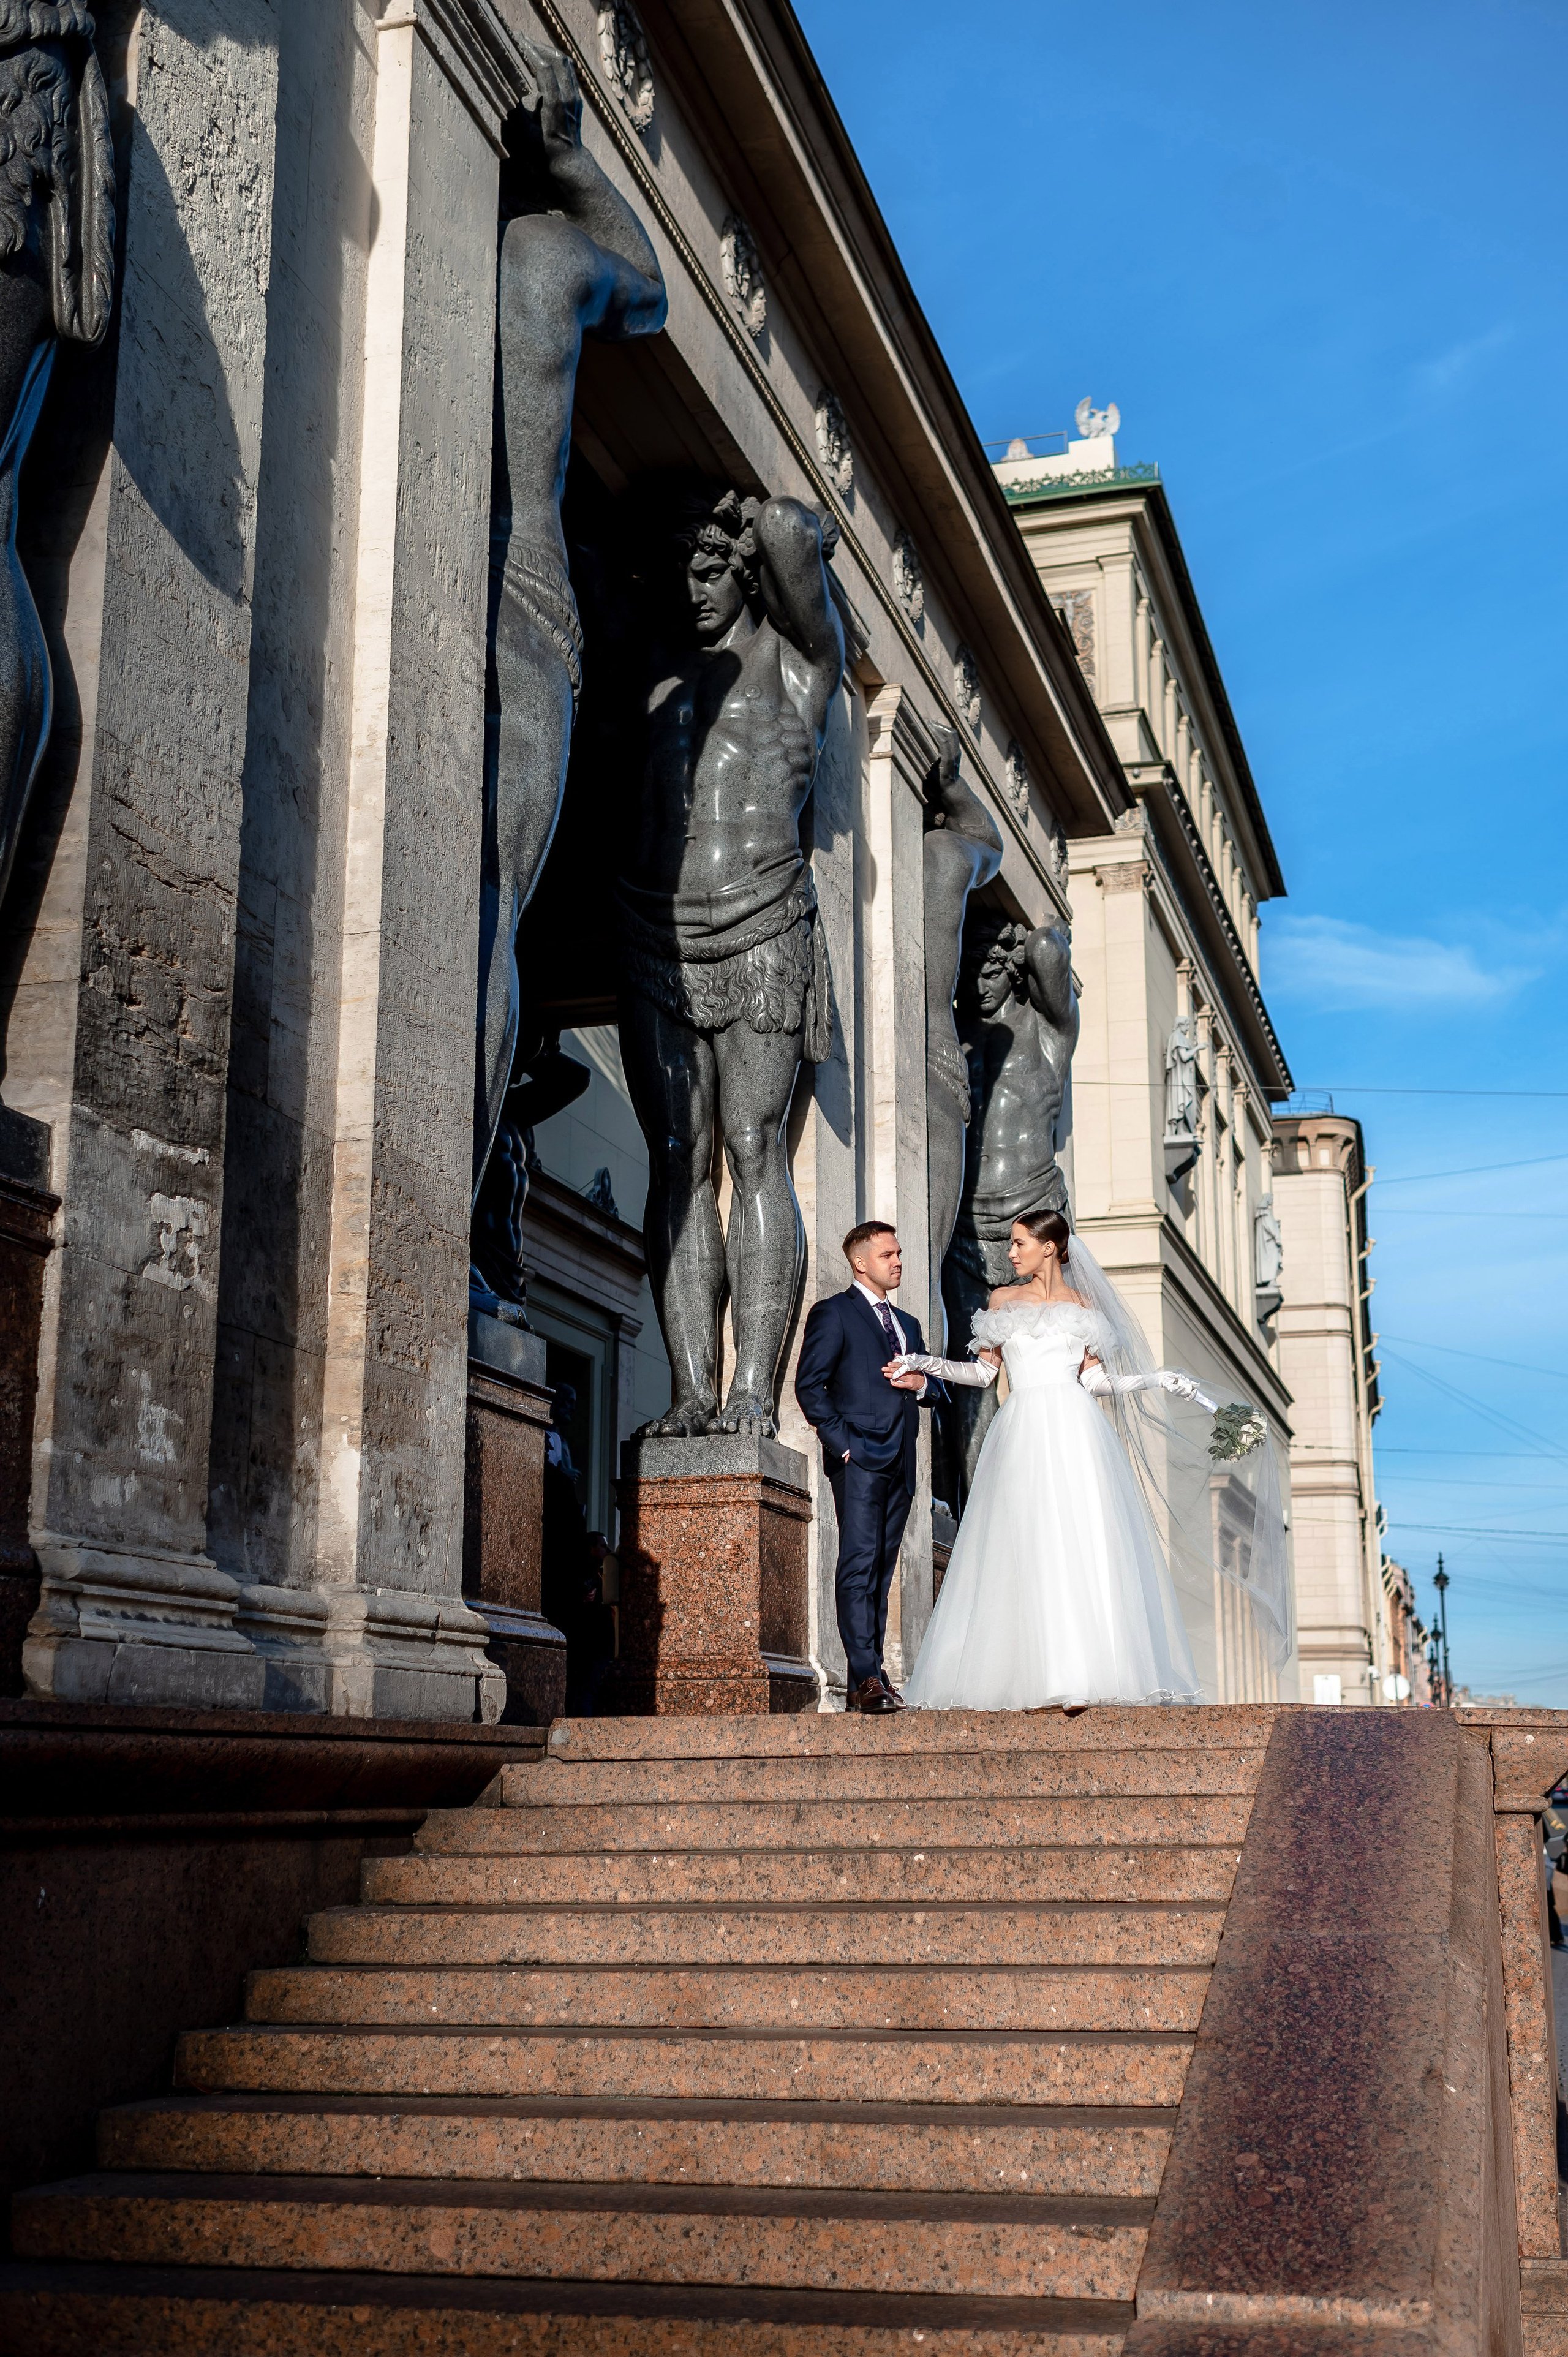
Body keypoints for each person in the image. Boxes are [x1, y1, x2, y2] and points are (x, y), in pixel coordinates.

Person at [894, 1207, 1289, 1712]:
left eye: (1019, 1243)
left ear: (1050, 1247)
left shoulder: (1083, 1308)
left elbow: (1096, 1382)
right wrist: (923, 1364)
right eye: (1011, 1243)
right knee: (1022, 1539)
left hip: (1076, 1429)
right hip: (1021, 1430)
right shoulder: (1002, 1302)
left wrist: (1156, 1379)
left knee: (1079, 1541)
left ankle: (1083, 1673)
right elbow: (982, 1376)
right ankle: (1021, 1672)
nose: (1010, 1252)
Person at [793, 1223, 946, 1714]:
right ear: (861, 1263)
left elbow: (936, 1391)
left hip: (901, 1461)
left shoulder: (908, 1324)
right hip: (858, 1459)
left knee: (880, 1570)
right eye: (888, 1254)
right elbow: (810, 1386)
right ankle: (864, 1679)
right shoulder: (834, 1313)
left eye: (899, 1252)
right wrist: (843, 1446)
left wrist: (921, 1384)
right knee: (858, 1564)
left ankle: (874, 1676)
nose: (898, 1261)